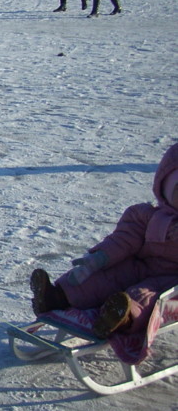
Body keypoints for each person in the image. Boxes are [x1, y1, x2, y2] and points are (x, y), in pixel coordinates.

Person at [30, 143, 178, 340]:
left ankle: (120, 317)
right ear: (165, 190)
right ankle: (55, 297)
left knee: (145, 296)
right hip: (139, 266)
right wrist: (100, 258)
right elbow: (123, 240)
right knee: (102, 277)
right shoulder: (146, 216)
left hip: (172, 280)